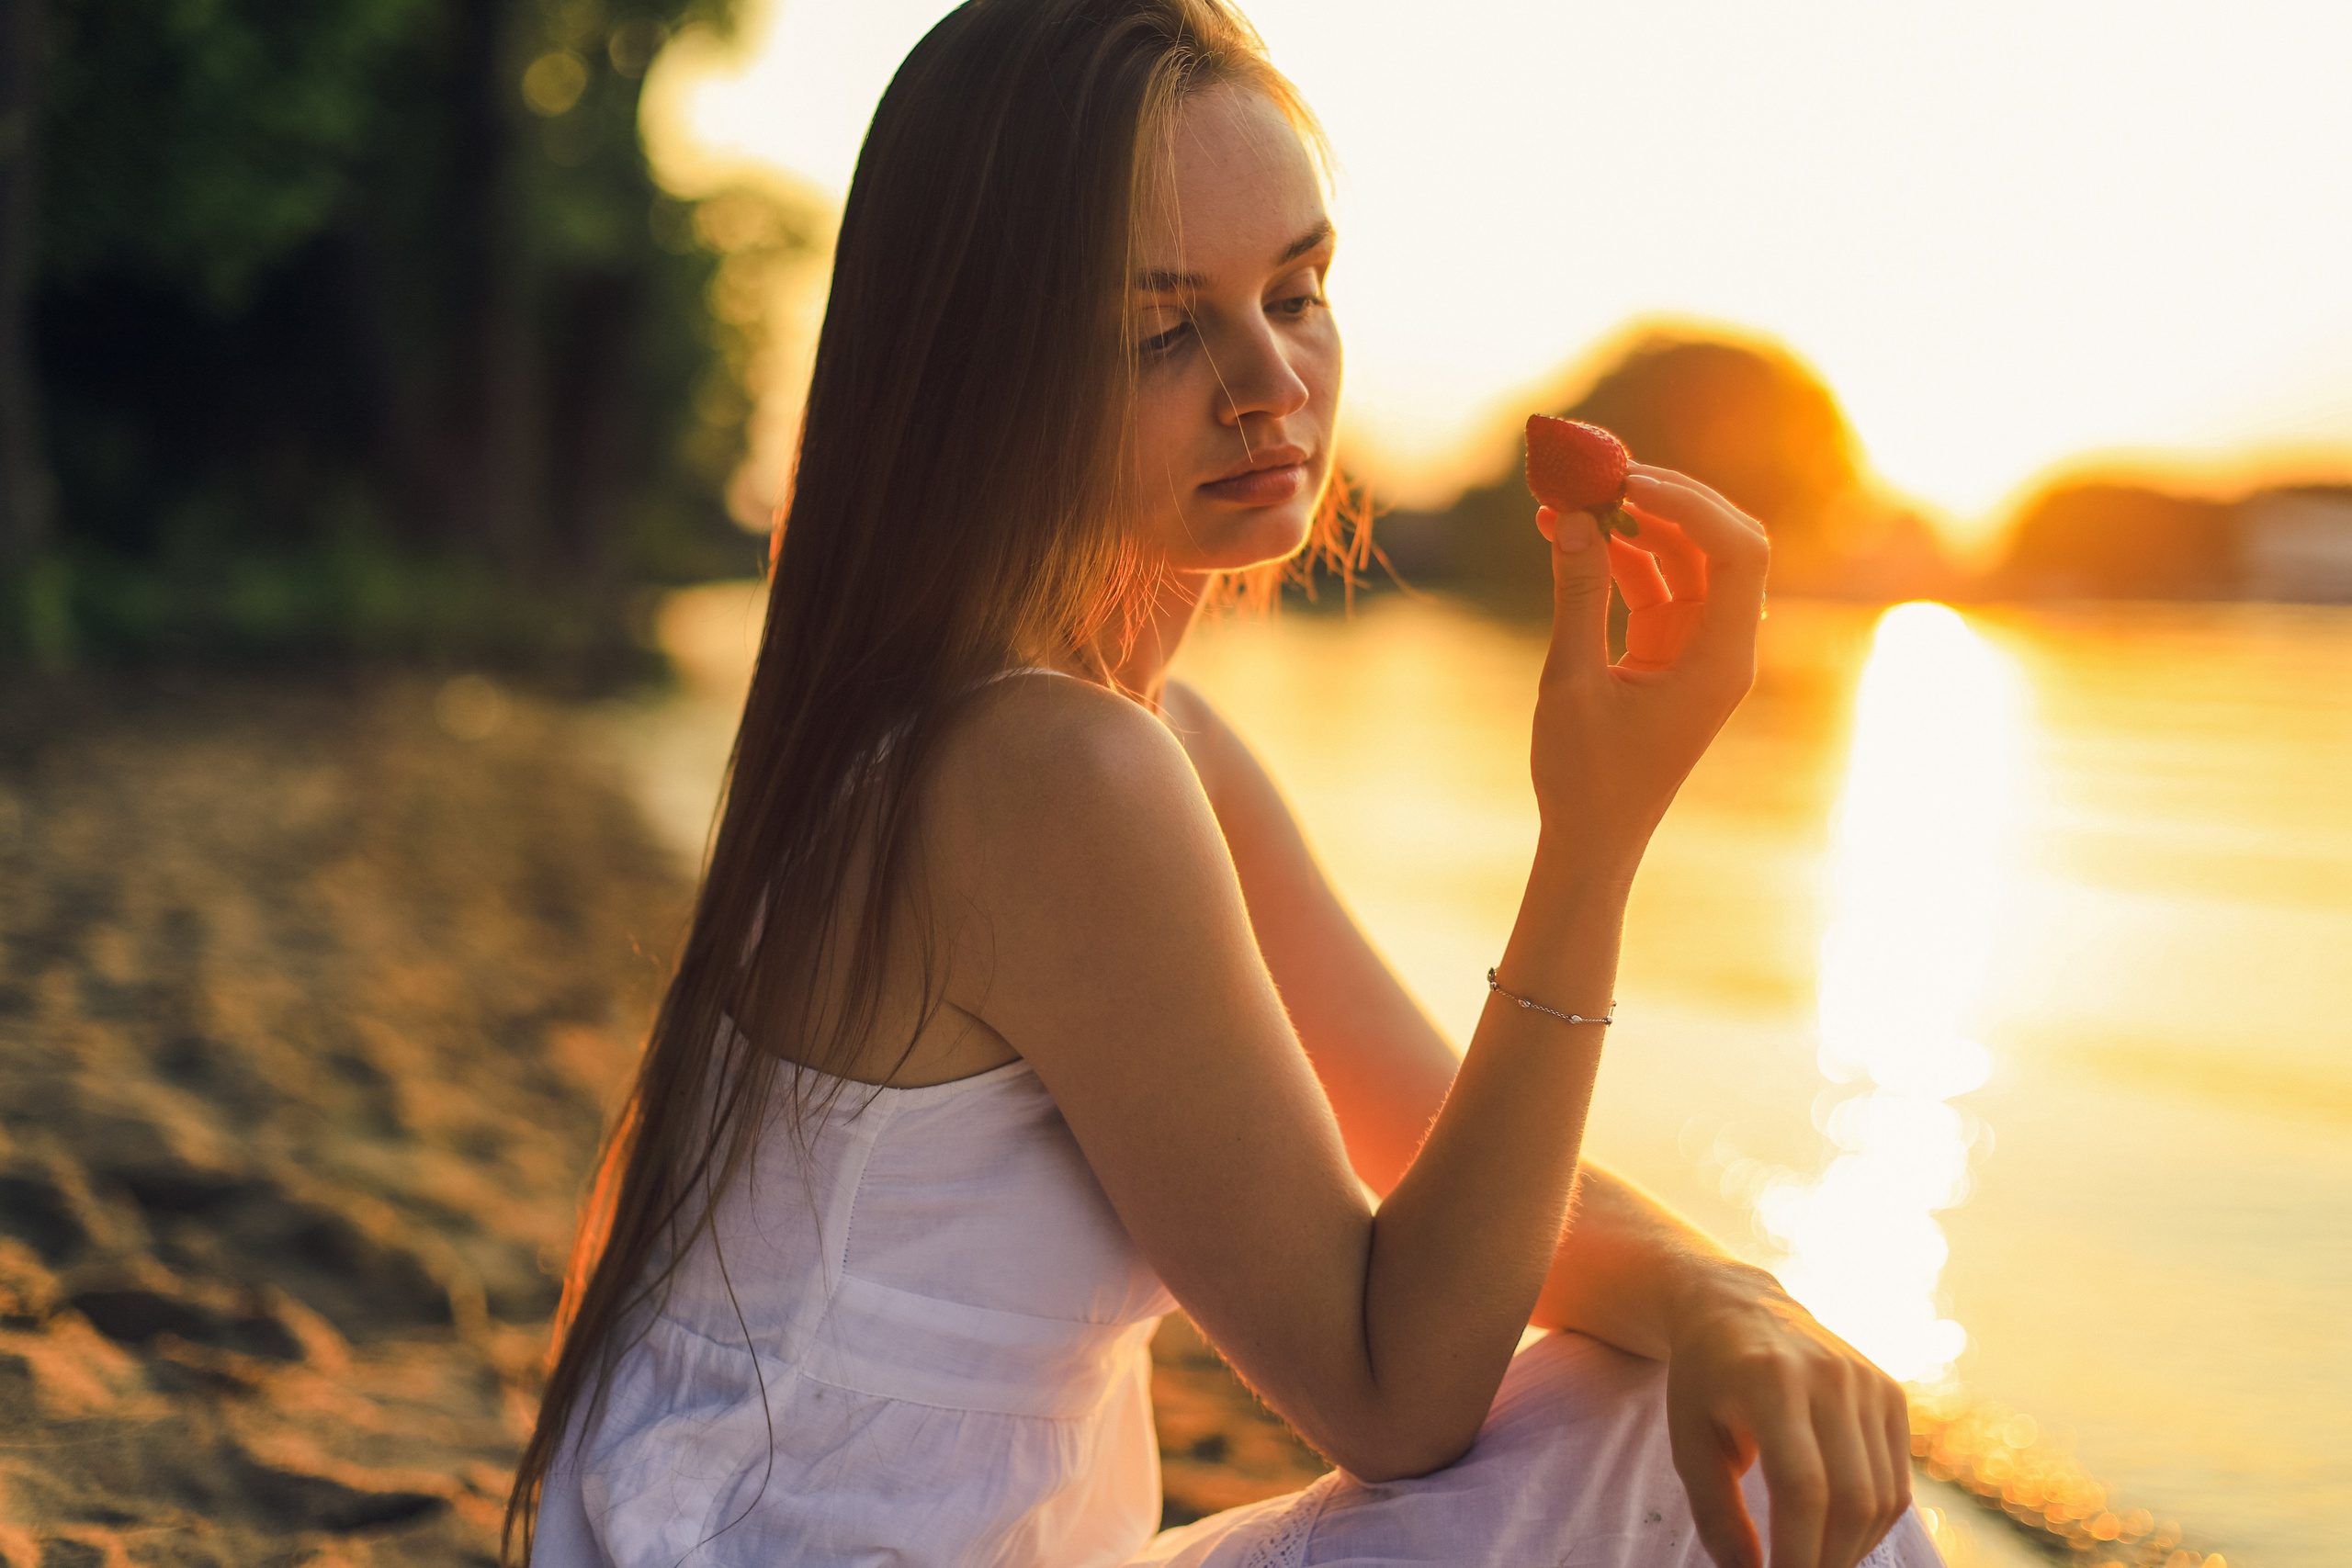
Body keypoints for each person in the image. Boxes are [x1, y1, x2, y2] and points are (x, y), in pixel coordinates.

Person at [507, 2, 1945, 1564]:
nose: (1273, 381)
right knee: (1703, 1468)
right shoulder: (1046, 768)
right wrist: (1593, 842)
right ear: (986, 372)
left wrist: (1727, 1293)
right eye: (1162, 326)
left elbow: (1420, 1136)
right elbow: (1393, 1389)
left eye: (1298, 290)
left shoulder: (1126, 737)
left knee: (1724, 1390)